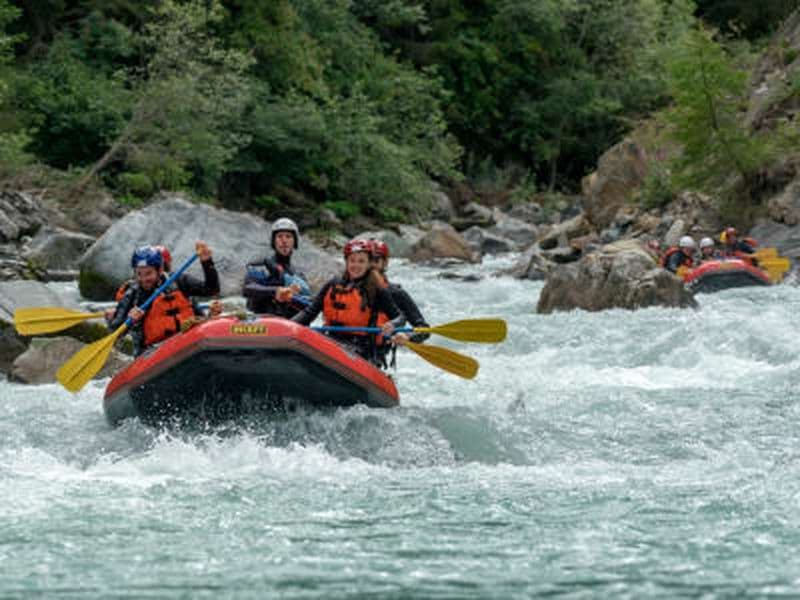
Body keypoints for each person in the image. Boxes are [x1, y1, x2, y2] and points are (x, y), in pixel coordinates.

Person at [292, 238, 408, 365]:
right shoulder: (333, 285)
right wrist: (288, 325)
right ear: (346, 262)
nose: (356, 265)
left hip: (361, 349)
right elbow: (309, 312)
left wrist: (393, 325)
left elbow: (400, 317)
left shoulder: (377, 289)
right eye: (352, 260)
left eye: (361, 261)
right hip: (331, 339)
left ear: (369, 263)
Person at [107, 242, 221, 356]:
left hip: (187, 340)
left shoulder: (179, 281)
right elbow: (115, 333)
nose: (143, 279)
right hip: (153, 352)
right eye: (139, 274)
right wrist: (130, 320)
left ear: (160, 269)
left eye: (148, 273)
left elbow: (212, 289)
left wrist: (207, 262)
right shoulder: (132, 294)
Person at [243, 217, 310, 318]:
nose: (284, 241)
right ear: (273, 241)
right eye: (280, 237)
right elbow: (248, 289)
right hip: (262, 321)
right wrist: (276, 291)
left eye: (288, 237)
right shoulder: (261, 266)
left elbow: (308, 305)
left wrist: (293, 296)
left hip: (289, 324)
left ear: (294, 242)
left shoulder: (299, 276)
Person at [369, 238, 430, 347]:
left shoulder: (397, 294)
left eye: (375, 260)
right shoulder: (346, 288)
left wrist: (407, 336)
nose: (370, 265)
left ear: (385, 262)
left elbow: (424, 329)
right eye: (367, 260)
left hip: (372, 355)